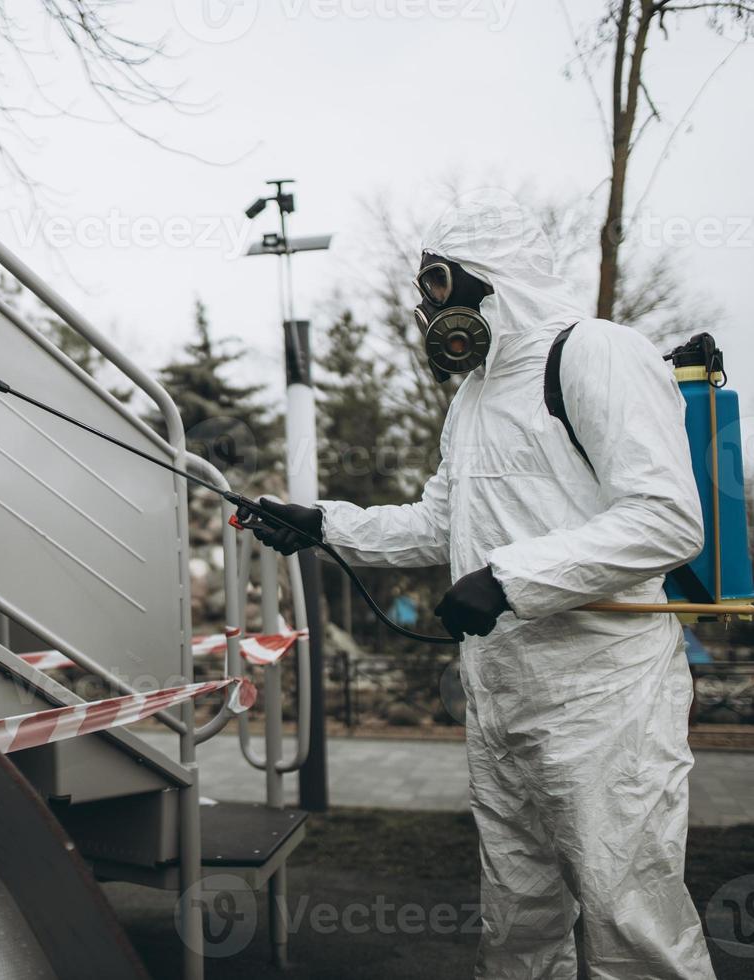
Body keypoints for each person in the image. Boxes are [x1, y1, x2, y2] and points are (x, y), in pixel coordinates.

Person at [243, 190, 716, 979]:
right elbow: (440, 523)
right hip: (502, 692)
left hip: (605, 696)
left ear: (491, 276)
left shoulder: (594, 352)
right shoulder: (473, 396)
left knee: (629, 914)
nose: (425, 305)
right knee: (519, 918)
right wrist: (323, 525)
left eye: (436, 283)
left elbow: (668, 521)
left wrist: (508, 579)